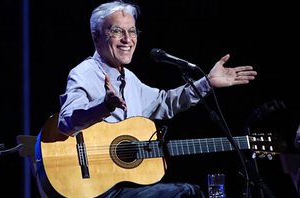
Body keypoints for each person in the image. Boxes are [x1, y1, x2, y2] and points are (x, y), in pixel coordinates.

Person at [57, 1, 257, 197]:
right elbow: (66, 122)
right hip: (95, 187)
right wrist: (104, 106)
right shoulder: (84, 73)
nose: (128, 39)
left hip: (126, 185)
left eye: (132, 31)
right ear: (96, 37)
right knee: (187, 192)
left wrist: (207, 82)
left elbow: (165, 102)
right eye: (117, 31)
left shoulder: (130, 79)